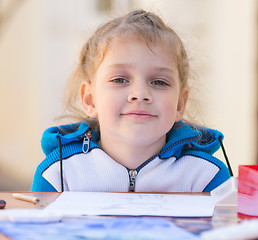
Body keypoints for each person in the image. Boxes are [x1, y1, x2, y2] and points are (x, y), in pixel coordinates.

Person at [31, 9, 230, 192]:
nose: (140, 93)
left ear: (179, 104)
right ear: (90, 100)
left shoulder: (207, 177)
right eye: (119, 80)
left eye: (159, 82)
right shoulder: (59, 175)